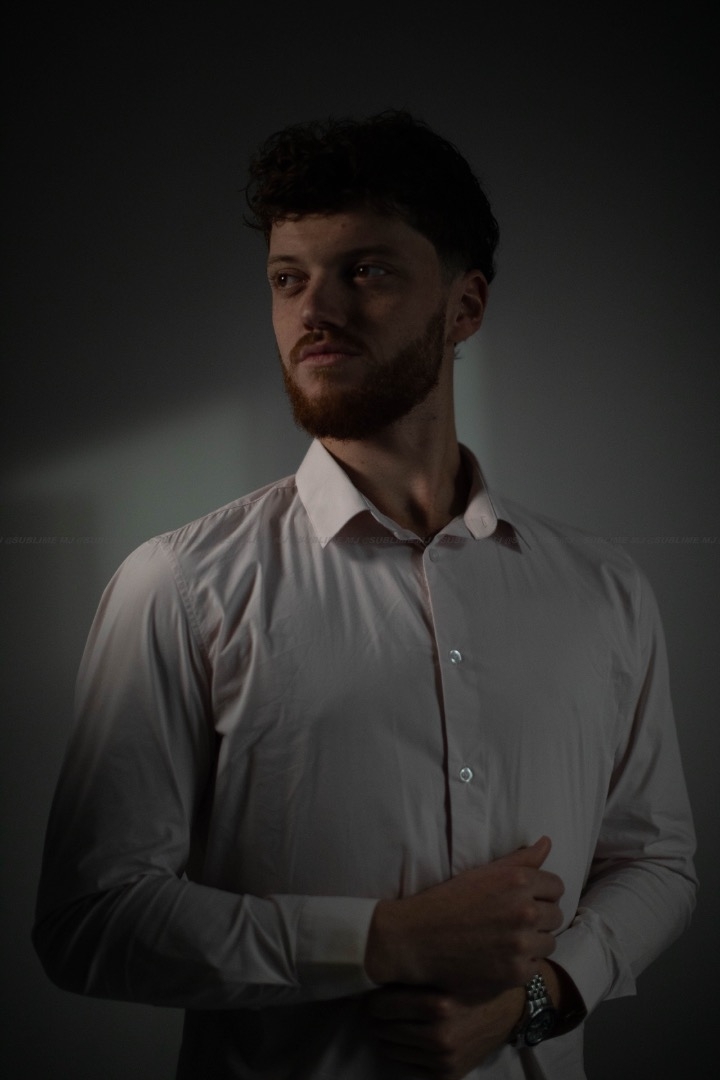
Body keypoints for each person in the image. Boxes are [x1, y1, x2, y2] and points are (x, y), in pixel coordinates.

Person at [33, 111, 697, 1080]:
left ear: (465, 307)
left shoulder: (603, 589)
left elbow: (657, 862)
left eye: (367, 271)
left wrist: (539, 999)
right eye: (288, 279)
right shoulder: (177, 586)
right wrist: (384, 941)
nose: (315, 310)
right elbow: (92, 920)